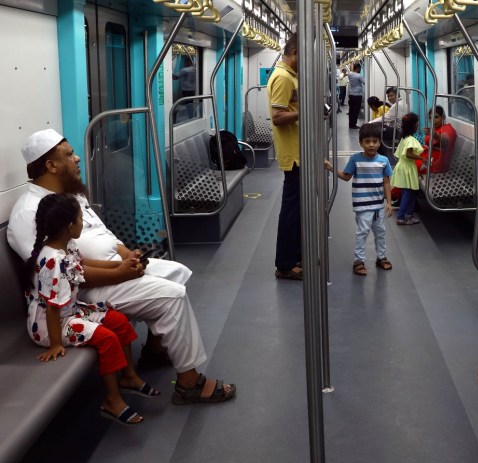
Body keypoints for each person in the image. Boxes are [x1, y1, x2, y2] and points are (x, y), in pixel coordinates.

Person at [8, 129, 236, 406]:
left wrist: (129, 255)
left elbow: (104, 235)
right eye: (69, 154)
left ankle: (154, 351)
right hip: (79, 295)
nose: (78, 158)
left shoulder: (68, 194)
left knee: (178, 272)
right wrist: (119, 273)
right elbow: (59, 275)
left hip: (111, 271)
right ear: (50, 165)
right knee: (172, 295)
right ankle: (189, 383)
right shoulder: (28, 212)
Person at [25, 193, 158, 425]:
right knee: (106, 338)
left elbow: (84, 265)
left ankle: (129, 377)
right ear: (69, 226)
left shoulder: (67, 245)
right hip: (49, 326)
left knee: (118, 321)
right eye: (79, 219)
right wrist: (55, 343)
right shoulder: (52, 261)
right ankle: (112, 401)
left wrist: (121, 265)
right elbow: (52, 309)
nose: (82, 224)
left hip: (68, 312)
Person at [324, 123, 394, 276]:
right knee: (362, 232)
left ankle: (381, 257)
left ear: (379, 143)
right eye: (367, 141)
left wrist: (388, 203)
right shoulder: (355, 159)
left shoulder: (383, 160)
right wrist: (331, 168)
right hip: (362, 206)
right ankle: (359, 260)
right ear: (361, 143)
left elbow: (386, 182)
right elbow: (346, 176)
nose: (371, 145)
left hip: (378, 205)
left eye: (375, 141)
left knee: (380, 232)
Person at [267, 33, 303, 280]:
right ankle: (285, 264)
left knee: (298, 208)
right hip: (292, 154)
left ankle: (295, 255)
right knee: (291, 210)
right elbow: (278, 118)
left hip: (298, 151)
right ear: (295, 52)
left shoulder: (290, 76)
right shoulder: (282, 78)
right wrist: (306, 110)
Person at [389, 113, 427, 226]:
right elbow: (409, 154)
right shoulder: (410, 139)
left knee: (410, 193)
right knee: (407, 193)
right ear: (415, 125)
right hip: (407, 167)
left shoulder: (403, 137)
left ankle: (408, 215)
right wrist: (421, 158)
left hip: (404, 166)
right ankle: (401, 217)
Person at [419, 105, 457, 174]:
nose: (433, 120)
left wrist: (435, 135)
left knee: (410, 167)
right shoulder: (435, 128)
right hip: (428, 157)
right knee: (406, 162)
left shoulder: (447, 129)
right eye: (430, 118)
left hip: (436, 163)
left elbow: (446, 142)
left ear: (443, 117)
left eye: (436, 117)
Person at [371, 87, 410, 152]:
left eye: (391, 95)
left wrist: (371, 122)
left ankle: (380, 154)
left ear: (397, 95)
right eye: (388, 96)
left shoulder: (397, 105)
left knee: (376, 132)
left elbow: (386, 117)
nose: (389, 98)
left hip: (397, 131)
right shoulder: (402, 103)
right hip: (399, 129)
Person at [347, 63, 365, 129]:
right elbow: (365, 82)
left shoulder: (350, 74)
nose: (360, 69)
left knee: (351, 110)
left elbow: (351, 72)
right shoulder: (359, 76)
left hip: (351, 94)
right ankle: (353, 124)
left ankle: (350, 124)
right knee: (356, 110)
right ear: (357, 68)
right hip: (357, 95)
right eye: (359, 68)